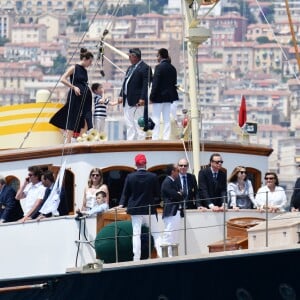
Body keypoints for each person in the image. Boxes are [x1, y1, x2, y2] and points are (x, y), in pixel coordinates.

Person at [118, 154, 161, 261]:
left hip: (135, 210)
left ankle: (136, 258)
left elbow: (125, 193)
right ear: (145, 164)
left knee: (136, 234)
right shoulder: (153, 176)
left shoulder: (130, 177)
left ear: (136, 164)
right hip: (149, 209)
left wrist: (121, 204)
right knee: (156, 234)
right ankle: (161, 255)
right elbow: (158, 194)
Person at [50, 48, 94, 143]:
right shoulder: (74, 68)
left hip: (85, 98)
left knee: (86, 118)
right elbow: (62, 79)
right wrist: (73, 87)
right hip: (75, 96)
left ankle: (81, 139)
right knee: (72, 117)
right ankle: (68, 140)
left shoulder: (85, 71)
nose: (90, 64)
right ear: (85, 59)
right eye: (90, 61)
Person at [118, 48, 152, 140]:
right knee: (129, 123)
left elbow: (146, 85)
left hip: (137, 100)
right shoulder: (130, 68)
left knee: (138, 122)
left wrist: (142, 98)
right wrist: (121, 95)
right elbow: (125, 82)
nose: (129, 58)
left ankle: (141, 140)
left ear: (135, 56)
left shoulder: (145, 67)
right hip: (127, 100)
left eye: (130, 56)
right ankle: (130, 140)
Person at [150, 48, 179, 140]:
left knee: (156, 118)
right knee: (167, 118)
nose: (157, 58)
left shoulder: (159, 67)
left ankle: (155, 137)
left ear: (161, 56)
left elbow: (155, 84)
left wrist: (152, 96)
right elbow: (174, 83)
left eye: (157, 56)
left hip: (158, 97)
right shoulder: (173, 68)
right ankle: (166, 137)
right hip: (169, 98)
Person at [161, 164, 183, 257]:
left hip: (176, 211)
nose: (179, 172)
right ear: (172, 171)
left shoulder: (174, 181)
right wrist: (178, 194)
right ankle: (166, 257)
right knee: (169, 234)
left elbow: (182, 193)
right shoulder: (167, 182)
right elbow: (176, 195)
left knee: (174, 235)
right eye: (177, 170)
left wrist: (179, 194)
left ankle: (173, 256)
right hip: (171, 212)